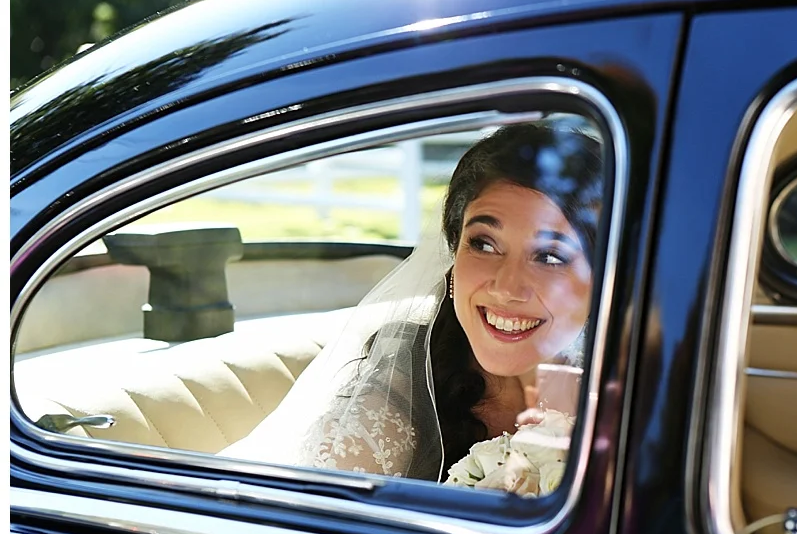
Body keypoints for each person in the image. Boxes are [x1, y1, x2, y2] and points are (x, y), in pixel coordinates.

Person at [218, 122, 604, 485]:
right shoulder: (386, 416)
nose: (506, 288)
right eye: (484, 244)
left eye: (551, 255)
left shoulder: (630, 385)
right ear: (454, 255)